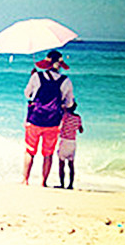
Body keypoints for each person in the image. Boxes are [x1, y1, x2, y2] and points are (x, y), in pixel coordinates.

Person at [22, 49, 74, 186]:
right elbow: (69, 103)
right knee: (48, 154)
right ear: (60, 65)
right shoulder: (66, 81)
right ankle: (43, 182)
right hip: (53, 121)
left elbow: (27, 94)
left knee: (30, 150)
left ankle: (25, 180)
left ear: (47, 63)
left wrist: (33, 77)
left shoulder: (37, 76)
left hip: (34, 119)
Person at [56, 101, 83, 189]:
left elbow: (60, 126)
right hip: (73, 142)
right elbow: (81, 130)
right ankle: (71, 184)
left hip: (64, 141)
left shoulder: (65, 116)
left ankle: (62, 184)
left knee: (61, 164)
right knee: (71, 164)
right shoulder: (78, 117)